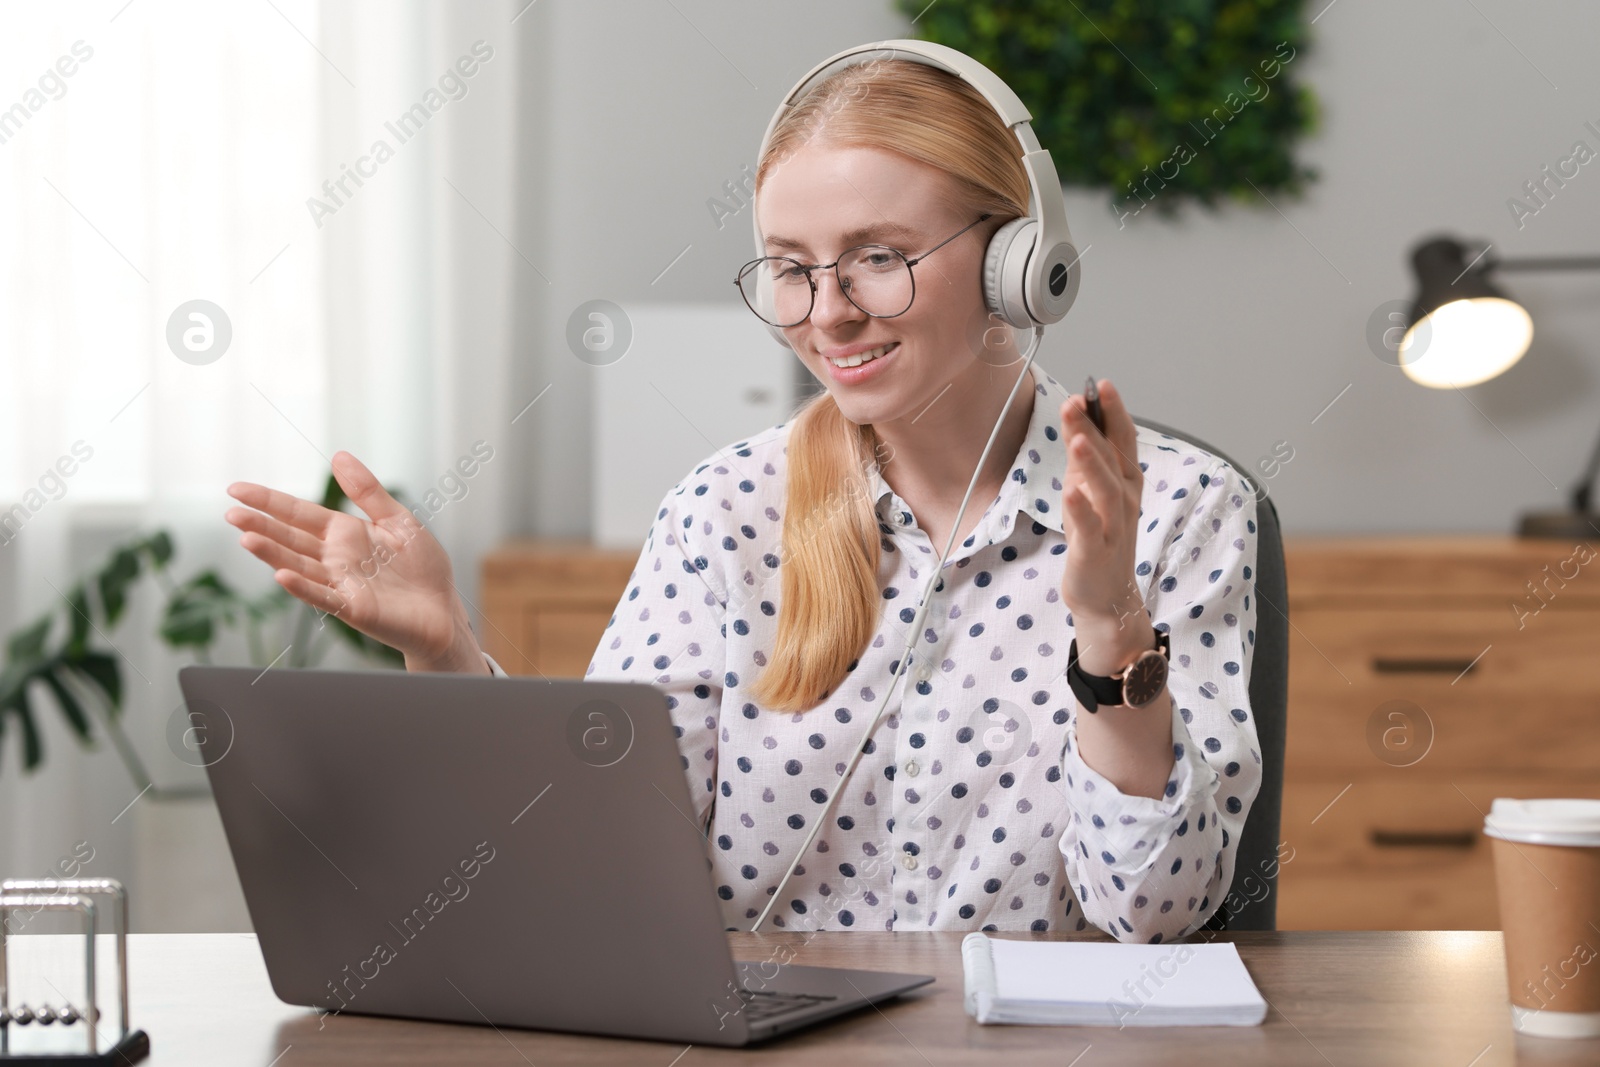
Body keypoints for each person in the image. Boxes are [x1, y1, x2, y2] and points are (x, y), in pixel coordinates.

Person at [223, 53, 1260, 943]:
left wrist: (1107, 621)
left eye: (878, 258)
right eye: (789, 270)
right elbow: (588, 869)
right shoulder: (726, 509)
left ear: (1015, 265)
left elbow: (1153, 911)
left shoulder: (1179, 507)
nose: (829, 316)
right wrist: (445, 648)